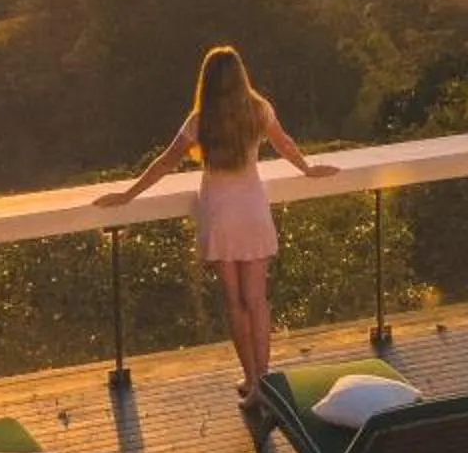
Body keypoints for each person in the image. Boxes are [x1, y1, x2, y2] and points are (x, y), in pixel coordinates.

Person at [96, 46, 336, 406]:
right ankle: (264, 382)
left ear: (206, 80)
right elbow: (284, 144)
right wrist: (308, 169)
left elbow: (165, 162)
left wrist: (127, 195)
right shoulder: (258, 110)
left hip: (221, 213)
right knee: (257, 301)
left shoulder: (200, 119)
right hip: (252, 210)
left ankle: (254, 382)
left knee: (236, 303)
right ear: (241, 75)